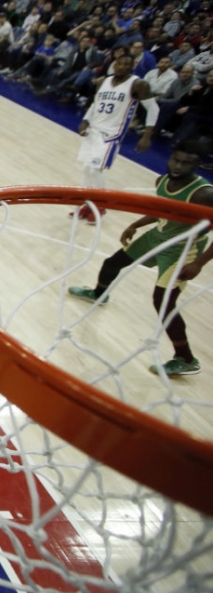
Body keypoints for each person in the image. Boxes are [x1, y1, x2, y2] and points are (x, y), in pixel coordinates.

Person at [68, 139, 213, 377]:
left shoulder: (205, 194)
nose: (178, 165)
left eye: (186, 163)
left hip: (183, 250)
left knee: (162, 301)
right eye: (175, 159)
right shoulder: (163, 180)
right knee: (112, 263)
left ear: (197, 164)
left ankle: (186, 358)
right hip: (158, 237)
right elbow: (163, 211)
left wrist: (198, 263)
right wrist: (135, 224)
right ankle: (99, 294)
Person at [74, 53, 157, 223]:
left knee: (96, 170)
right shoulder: (105, 81)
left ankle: (100, 205)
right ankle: (87, 203)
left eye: (126, 64)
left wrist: (147, 135)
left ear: (132, 66)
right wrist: (85, 120)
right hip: (93, 131)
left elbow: (153, 108)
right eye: (119, 64)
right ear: (114, 65)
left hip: (111, 135)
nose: (122, 67)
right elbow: (95, 105)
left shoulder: (137, 84)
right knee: (87, 170)